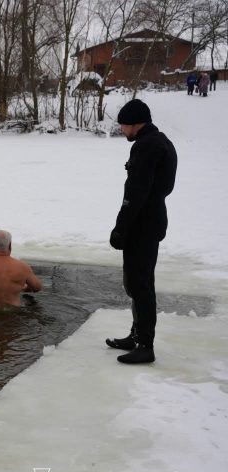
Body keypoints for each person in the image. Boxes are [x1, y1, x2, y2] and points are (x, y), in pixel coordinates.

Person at [107, 99, 176, 364]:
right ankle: (137, 336)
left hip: (143, 223)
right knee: (139, 282)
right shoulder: (160, 141)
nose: (121, 129)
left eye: (123, 125)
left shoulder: (147, 146)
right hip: (152, 219)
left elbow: (136, 192)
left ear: (136, 123)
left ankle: (145, 345)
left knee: (140, 284)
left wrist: (121, 228)